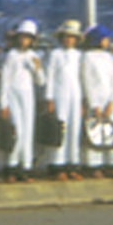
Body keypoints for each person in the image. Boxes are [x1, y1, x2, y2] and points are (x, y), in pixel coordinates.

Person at [0, 19, 45, 182]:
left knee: (27, 131)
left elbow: (41, 81)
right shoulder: (11, 55)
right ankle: (11, 166)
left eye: (28, 38)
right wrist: (3, 103)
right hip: (13, 95)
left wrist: (37, 68)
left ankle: (26, 166)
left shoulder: (34, 56)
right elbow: (5, 80)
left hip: (27, 96)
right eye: (22, 37)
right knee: (16, 131)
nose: (24, 41)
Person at [43, 19, 84, 181]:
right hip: (59, 95)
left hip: (75, 95)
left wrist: (83, 101)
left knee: (74, 129)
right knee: (60, 130)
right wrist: (49, 98)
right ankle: (57, 165)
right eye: (66, 36)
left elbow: (81, 78)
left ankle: (72, 164)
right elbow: (50, 76)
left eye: (72, 37)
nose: (69, 40)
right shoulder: (55, 54)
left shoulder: (79, 56)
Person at [81, 24, 113, 178]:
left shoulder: (109, 57)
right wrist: (94, 104)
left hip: (109, 100)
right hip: (96, 100)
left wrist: (112, 101)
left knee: (111, 131)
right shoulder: (87, 57)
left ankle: (112, 164)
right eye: (106, 39)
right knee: (95, 131)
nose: (108, 41)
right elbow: (87, 81)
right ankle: (94, 166)